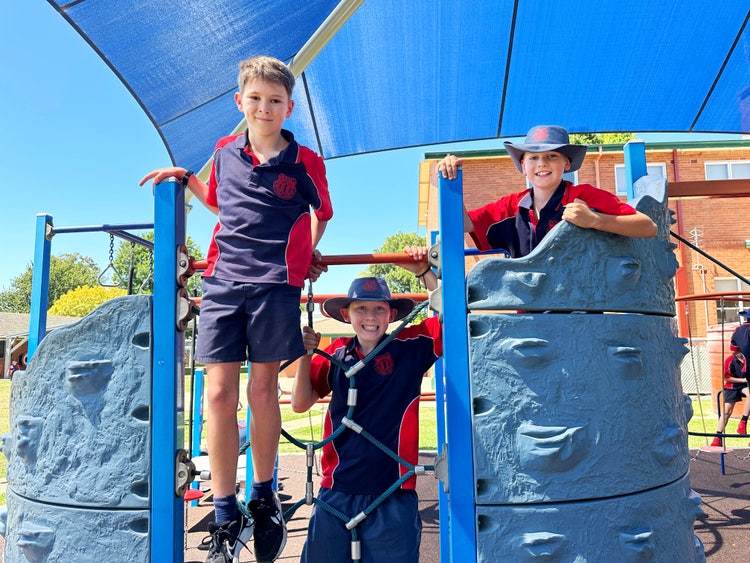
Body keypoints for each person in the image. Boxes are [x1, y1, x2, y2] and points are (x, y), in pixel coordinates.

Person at [141, 55, 333, 563]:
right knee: (219, 397)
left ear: (289, 108)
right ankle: (225, 510)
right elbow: (223, 205)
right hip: (223, 282)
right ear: (239, 102)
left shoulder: (306, 162)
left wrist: (304, 254)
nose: (264, 107)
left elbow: (323, 213)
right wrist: (185, 177)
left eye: (275, 101)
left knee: (264, 387)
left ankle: (264, 495)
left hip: (275, 284)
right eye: (255, 99)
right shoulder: (225, 151)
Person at [292, 246, 440, 563]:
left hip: (393, 490)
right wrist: (305, 356)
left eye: (378, 309)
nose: (370, 317)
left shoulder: (410, 347)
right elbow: (300, 403)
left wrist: (425, 273)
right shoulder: (336, 353)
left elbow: (450, 317)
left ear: (392, 314)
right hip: (338, 489)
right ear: (347, 314)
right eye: (361, 309)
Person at [436, 125, 658, 256]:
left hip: (581, 313)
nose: (542, 163)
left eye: (552, 156)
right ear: (524, 167)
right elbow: (462, 224)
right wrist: (447, 182)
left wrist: (595, 220)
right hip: (530, 313)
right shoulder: (510, 206)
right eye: (533, 157)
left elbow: (648, 227)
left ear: (567, 164)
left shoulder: (586, 197)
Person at [710, 344, 748, 446]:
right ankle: (718, 436)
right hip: (732, 385)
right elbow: (726, 378)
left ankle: (743, 422)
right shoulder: (729, 360)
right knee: (727, 411)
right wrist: (743, 380)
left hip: (746, 386)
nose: (735, 354)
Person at [730, 310, 750, 437]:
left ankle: (743, 422)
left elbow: (734, 350)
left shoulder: (738, 331)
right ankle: (743, 421)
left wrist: (742, 358)